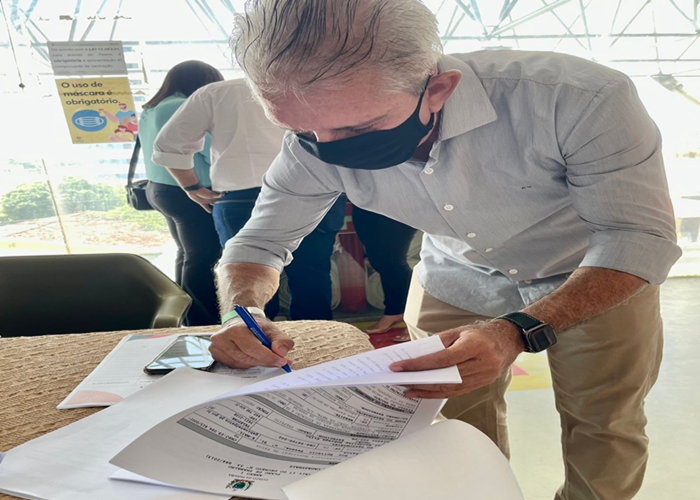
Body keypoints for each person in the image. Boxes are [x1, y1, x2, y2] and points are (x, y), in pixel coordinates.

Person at [207, 2, 683, 499]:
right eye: (300, 132)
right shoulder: (316, 141)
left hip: (593, 274)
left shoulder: (577, 98)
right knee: (448, 423)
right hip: (456, 274)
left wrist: (517, 330)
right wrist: (242, 313)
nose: (327, 148)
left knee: (604, 423)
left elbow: (636, 237)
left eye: (359, 129)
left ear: (438, 90)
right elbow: (259, 243)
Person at [153, 78, 346, 321]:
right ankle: (317, 339)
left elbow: (169, 145)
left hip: (242, 197)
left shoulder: (216, 93)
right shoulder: (316, 84)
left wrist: (192, 187)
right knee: (312, 274)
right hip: (316, 191)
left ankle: (256, 339)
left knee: (249, 280)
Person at [138, 60, 224, 326]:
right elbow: (211, 151)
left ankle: (186, 315)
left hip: (161, 188)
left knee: (187, 254)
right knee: (204, 257)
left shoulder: (152, 108)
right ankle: (205, 321)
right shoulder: (182, 106)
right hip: (190, 191)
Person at [353, 205, 417, 341]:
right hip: (365, 200)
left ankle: (415, 317)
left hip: (399, 200)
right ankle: (395, 311)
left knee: (393, 260)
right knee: (379, 260)